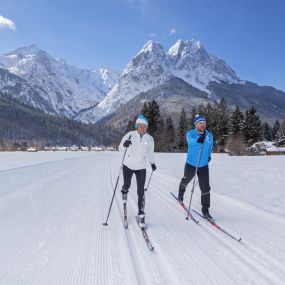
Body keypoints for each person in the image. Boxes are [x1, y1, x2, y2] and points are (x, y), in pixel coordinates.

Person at [119, 114, 156, 227]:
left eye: (145, 126)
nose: (143, 128)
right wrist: (124, 145)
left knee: (141, 191)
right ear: (137, 126)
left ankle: (141, 215)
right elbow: (120, 148)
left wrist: (152, 163)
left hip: (141, 167)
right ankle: (124, 192)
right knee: (127, 185)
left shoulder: (149, 139)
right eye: (141, 126)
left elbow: (150, 153)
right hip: (128, 165)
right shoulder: (129, 135)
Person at [178, 114, 214, 219]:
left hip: (203, 165)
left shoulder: (209, 135)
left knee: (205, 187)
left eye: (204, 123)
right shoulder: (191, 134)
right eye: (200, 123)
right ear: (196, 124)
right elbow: (191, 142)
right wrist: (198, 140)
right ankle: (181, 191)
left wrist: (208, 156)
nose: (202, 125)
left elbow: (210, 147)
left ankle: (205, 209)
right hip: (191, 164)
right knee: (186, 180)